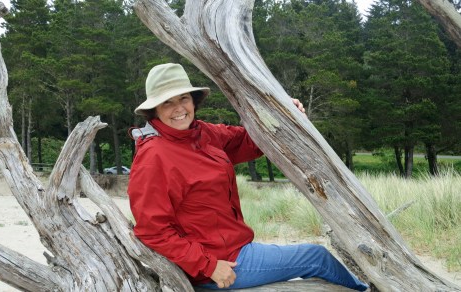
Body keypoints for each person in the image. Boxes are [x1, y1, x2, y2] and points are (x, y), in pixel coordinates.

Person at [128, 63, 368, 291]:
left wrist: (287, 116)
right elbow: (153, 231)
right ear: (155, 110)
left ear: (193, 101)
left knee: (315, 259)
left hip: (234, 248)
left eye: (183, 98)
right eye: (167, 103)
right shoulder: (154, 156)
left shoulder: (202, 133)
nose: (179, 108)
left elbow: (250, 141)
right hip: (219, 263)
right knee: (317, 257)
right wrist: (208, 265)